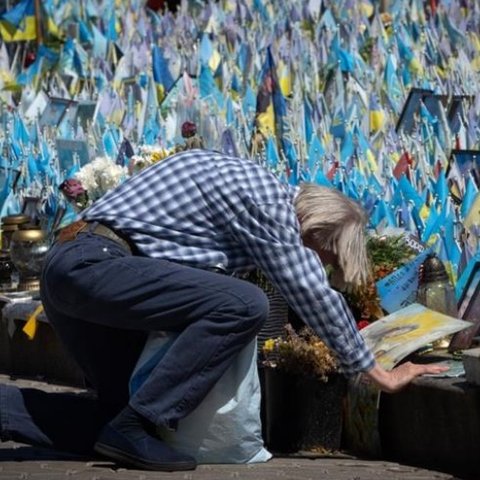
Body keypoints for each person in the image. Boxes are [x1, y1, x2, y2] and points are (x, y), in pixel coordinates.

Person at [0, 149, 447, 471]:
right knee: (244, 304)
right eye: (325, 257)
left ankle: (21, 411)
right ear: (317, 232)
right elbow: (312, 293)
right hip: (95, 264)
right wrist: (376, 372)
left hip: (73, 267)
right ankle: (145, 417)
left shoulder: (247, 195)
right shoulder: (270, 203)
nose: (317, 265)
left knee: (111, 425)